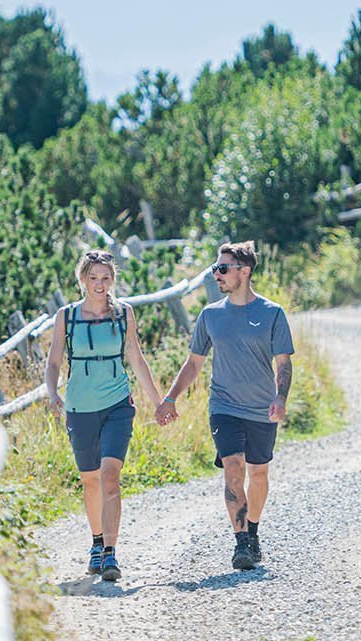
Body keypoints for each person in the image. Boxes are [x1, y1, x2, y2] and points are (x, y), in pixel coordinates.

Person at [155, 240, 294, 571]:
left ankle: (254, 530)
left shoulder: (272, 313)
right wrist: (170, 398)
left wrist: (280, 397)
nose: (216, 274)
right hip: (224, 407)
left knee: (258, 473)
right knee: (233, 468)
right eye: (215, 268)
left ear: (244, 272)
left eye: (223, 268)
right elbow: (192, 364)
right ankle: (242, 542)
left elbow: (284, 363)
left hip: (261, 408)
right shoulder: (210, 316)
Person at [45, 249, 159, 582]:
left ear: (113, 280)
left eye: (106, 278)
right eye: (93, 278)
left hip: (117, 405)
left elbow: (137, 360)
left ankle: (110, 553)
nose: (100, 284)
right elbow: (53, 362)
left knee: (110, 475)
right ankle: (96, 542)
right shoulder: (66, 316)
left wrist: (159, 401)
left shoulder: (124, 314)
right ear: (82, 279)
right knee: (90, 479)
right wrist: (53, 393)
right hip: (79, 408)